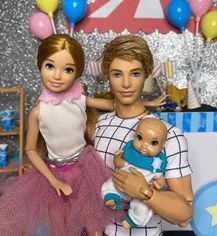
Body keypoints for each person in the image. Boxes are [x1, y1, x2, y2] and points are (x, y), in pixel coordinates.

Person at [0, 34, 128, 236]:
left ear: (77, 73)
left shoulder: (78, 99)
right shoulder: (38, 112)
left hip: (85, 170)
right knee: (60, 228)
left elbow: (114, 104)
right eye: (50, 66)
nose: (57, 76)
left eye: (68, 70)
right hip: (53, 175)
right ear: (40, 65)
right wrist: (53, 181)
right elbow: (31, 150)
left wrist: (141, 103)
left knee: (94, 226)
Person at [94, 34, 193, 236]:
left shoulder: (169, 135)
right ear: (107, 75)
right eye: (117, 74)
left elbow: (185, 215)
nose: (126, 83)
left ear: (147, 73)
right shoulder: (100, 125)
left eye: (135, 73)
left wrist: (146, 193)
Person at [101, 118, 167, 229]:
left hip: (141, 191)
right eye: (140, 138)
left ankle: (132, 220)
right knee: (110, 184)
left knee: (144, 206)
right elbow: (121, 164)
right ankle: (112, 199)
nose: (144, 146)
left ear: (162, 147)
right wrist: (117, 158)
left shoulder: (158, 161)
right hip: (121, 182)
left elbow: (160, 177)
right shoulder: (131, 151)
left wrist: (158, 184)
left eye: (153, 143)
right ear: (134, 135)